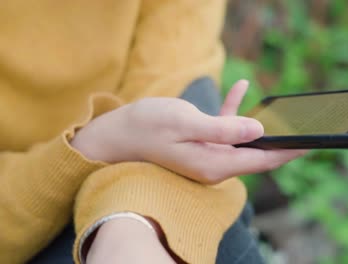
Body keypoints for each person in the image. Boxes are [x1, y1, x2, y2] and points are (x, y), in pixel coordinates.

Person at [0, 1, 306, 263]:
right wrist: (97, 142)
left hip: (117, 172)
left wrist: (131, 222)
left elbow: (172, 83)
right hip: (16, 213)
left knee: (218, 244)